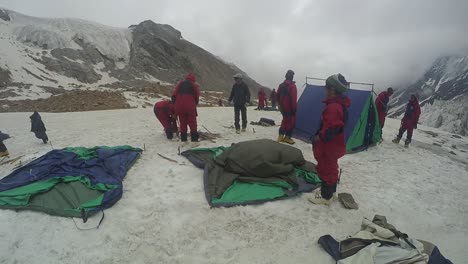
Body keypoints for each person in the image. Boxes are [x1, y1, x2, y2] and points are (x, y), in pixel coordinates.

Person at [309, 73, 351, 205]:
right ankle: (331, 193)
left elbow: (331, 129)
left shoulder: (333, 107)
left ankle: (325, 197)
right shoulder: (339, 105)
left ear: (332, 90)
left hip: (328, 146)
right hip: (335, 145)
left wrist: (318, 137)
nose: (324, 90)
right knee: (332, 168)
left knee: (326, 168)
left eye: (326, 88)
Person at [172, 73, 200, 143]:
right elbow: (197, 96)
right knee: (192, 123)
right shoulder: (194, 85)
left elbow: (173, 95)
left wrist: (175, 105)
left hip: (179, 107)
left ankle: (183, 140)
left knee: (182, 123)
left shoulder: (180, 84)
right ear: (193, 80)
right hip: (190, 107)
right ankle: (194, 140)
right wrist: (194, 104)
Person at [277, 70, 297, 144]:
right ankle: (287, 137)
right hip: (290, 108)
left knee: (284, 120)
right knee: (291, 122)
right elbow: (293, 99)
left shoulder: (281, 85)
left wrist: (280, 105)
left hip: (282, 107)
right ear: (292, 77)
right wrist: (294, 110)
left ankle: (280, 136)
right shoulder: (292, 86)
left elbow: (277, 96)